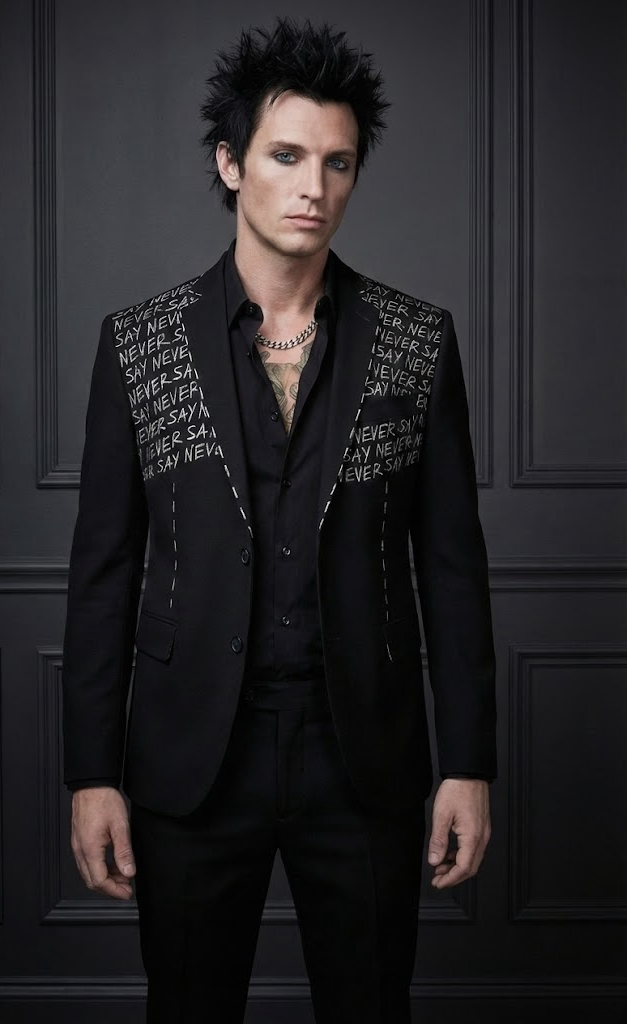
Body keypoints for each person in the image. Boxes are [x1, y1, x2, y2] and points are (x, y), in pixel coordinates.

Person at [62, 17, 496, 1024]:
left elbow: (451, 568)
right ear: (231, 163)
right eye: (287, 156)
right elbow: (103, 573)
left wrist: (468, 762)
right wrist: (90, 774)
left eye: (337, 163)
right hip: (191, 760)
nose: (314, 187)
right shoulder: (140, 345)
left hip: (365, 755)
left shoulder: (416, 341)